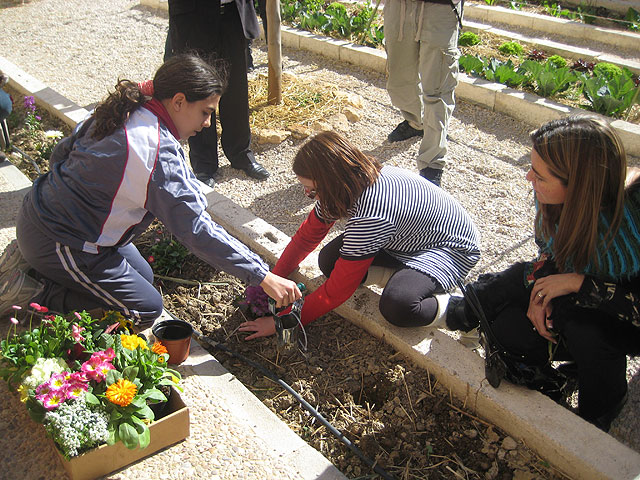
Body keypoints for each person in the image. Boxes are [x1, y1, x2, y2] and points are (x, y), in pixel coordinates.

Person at [0, 54, 300, 323]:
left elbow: (60, 155)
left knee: (143, 276)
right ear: (179, 101)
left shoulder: (127, 110)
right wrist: (262, 276)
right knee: (141, 310)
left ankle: (37, 263)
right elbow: (195, 228)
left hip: (47, 218)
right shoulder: (154, 151)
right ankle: (31, 295)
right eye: (206, 112)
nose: (208, 123)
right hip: (62, 241)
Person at [446, 115, 640, 431]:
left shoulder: (631, 231)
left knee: (583, 329)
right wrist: (542, 289)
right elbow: (548, 253)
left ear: (579, 185)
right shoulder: (556, 201)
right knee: (509, 322)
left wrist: (577, 282)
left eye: (539, 175)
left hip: (625, 312)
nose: (527, 178)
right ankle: (464, 313)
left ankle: (603, 406)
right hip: (582, 288)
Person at [238, 131, 480, 340]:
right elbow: (306, 238)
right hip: (405, 237)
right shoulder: (347, 182)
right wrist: (270, 280)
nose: (308, 195)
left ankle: (462, 311)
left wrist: (284, 321)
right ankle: (399, 275)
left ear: (330, 183)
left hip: (448, 248)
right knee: (329, 262)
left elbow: (337, 292)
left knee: (398, 305)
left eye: (311, 190)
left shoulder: (372, 214)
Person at [167, 0, 269, 189]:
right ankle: (204, 164)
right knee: (200, 92)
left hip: (233, 15)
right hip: (195, 17)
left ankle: (241, 154)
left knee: (236, 90)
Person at [384, 0, 462, 187]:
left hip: (440, 8)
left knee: (438, 89)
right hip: (399, 7)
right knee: (399, 81)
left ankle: (432, 163)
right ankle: (416, 123)